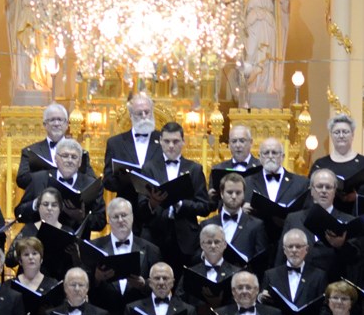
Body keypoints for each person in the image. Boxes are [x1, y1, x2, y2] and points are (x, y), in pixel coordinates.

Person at [136, 121, 213, 272]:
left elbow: (204, 206)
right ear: (161, 142)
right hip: (155, 234)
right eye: (167, 141)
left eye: (176, 141)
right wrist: (153, 202)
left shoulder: (194, 169)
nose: (171, 145)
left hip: (185, 240)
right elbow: (141, 207)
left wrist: (181, 205)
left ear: (183, 142)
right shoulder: (149, 168)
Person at [279, 167, 359, 280]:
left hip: (333, 287)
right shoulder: (294, 219)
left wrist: (341, 246)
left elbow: (355, 261)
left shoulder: (348, 220)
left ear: (335, 191)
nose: (324, 190)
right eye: (319, 186)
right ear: (311, 190)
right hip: (300, 284)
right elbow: (281, 256)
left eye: (329, 187)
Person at [14, 138, 105, 233]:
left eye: (74, 157)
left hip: (75, 245)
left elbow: (100, 222)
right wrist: (36, 204)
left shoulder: (92, 184)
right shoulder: (38, 179)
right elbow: (19, 214)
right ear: (56, 159)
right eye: (65, 156)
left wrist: (81, 218)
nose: (69, 160)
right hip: (41, 243)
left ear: (80, 162)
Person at [201, 173, 270, 275]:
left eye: (238, 193)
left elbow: (262, 262)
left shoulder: (256, 225)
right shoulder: (206, 224)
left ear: (244, 195)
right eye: (229, 192)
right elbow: (194, 258)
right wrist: (204, 254)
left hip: (243, 283)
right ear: (221, 193)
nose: (234, 196)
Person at [245, 137, 310, 244]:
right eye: (266, 153)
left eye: (274, 153)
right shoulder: (247, 183)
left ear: (283, 157)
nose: (270, 156)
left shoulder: (301, 183)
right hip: (256, 243)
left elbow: (306, 214)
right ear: (260, 157)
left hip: (290, 244)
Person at [16, 103, 91, 189]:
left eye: (60, 120)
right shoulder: (30, 151)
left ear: (67, 124)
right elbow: (21, 180)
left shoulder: (79, 152)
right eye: (52, 120)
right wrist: (48, 175)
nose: (56, 123)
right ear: (45, 124)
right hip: (42, 198)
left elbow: (90, 180)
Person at [242, 0, 289, 97]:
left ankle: (267, 86)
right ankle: (251, 84)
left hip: (266, 24)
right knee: (251, 53)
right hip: (252, 23)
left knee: (267, 54)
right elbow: (242, 12)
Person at [103, 93, 163, 195]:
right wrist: (127, 180)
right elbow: (108, 181)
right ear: (131, 115)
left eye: (147, 112)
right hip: (127, 205)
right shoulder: (115, 143)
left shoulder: (164, 140)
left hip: (157, 204)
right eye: (139, 113)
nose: (144, 116)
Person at [311, 114, 364, 204]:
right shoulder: (320, 164)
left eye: (345, 132)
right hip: (327, 213)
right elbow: (311, 192)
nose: (341, 136)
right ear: (331, 135)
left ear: (353, 135)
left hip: (356, 213)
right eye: (337, 132)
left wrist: (357, 196)